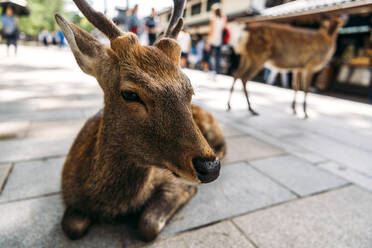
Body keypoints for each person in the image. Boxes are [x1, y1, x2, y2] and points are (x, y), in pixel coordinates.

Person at [207, 3, 227, 76]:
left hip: (212, 40)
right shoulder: (223, 19)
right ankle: (217, 71)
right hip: (219, 40)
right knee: (217, 57)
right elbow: (223, 30)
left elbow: (211, 31)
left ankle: (211, 70)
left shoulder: (213, 18)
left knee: (209, 55)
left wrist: (208, 42)